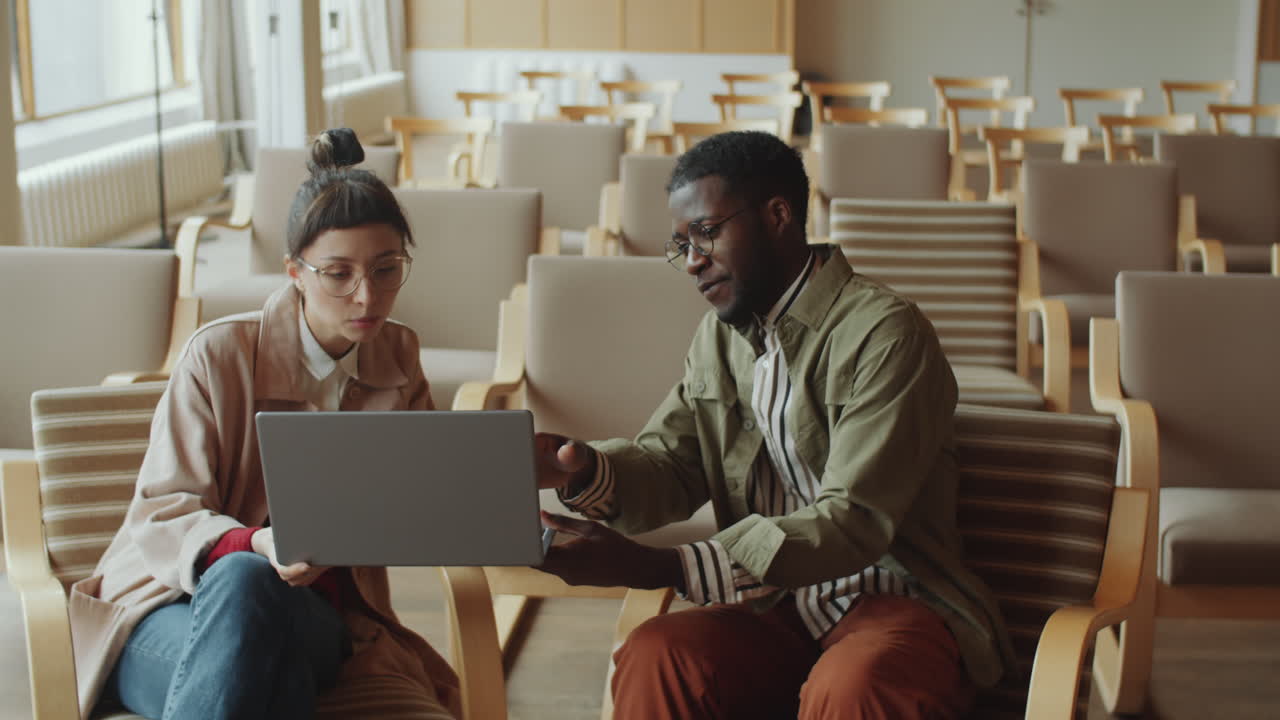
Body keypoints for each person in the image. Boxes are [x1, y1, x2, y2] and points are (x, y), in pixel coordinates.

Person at [534, 130, 1016, 719]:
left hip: (892, 600)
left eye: (706, 232)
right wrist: (581, 470)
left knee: (854, 685)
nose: (691, 262)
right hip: (774, 607)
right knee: (658, 652)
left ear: (779, 215)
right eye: (680, 243)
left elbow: (855, 521)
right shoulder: (720, 339)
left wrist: (663, 565)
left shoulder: (886, 334)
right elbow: (671, 465)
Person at [66, 128, 459, 720]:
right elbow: (162, 511)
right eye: (337, 273)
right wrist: (255, 543)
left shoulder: (398, 356)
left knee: (261, 630)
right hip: (166, 606)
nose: (365, 296)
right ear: (295, 272)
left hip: (318, 620)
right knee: (254, 606)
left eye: (385, 269)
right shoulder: (218, 355)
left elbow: (419, 497)